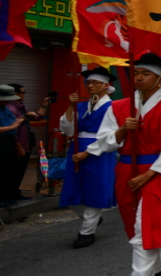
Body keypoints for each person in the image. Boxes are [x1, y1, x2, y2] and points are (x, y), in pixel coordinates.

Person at [91, 53, 161, 276]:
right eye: (136, 73)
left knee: (145, 226)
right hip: (126, 172)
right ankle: (157, 270)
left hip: (157, 173)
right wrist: (122, 130)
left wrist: (149, 174)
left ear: (160, 78)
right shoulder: (118, 107)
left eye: (146, 73)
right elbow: (104, 142)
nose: (139, 78)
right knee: (134, 224)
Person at [59, 67, 118, 248]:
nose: (90, 86)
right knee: (72, 188)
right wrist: (70, 106)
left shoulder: (113, 107)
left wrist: (88, 152)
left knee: (94, 190)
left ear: (105, 85)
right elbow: (68, 129)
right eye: (88, 83)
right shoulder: (80, 105)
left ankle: (87, 232)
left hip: (100, 151)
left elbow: (113, 135)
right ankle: (91, 219)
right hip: (77, 147)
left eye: (95, 83)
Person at [0, 85, 30, 208]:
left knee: (4, 172)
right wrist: (12, 127)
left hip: (7, 141)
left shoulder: (4, 108)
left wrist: (24, 118)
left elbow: (13, 121)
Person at [5, 83, 48, 201]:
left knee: (19, 171)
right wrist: (18, 145)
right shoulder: (11, 108)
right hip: (18, 145)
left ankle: (15, 192)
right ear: (16, 94)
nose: (24, 95)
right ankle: (9, 194)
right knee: (14, 171)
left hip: (25, 144)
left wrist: (43, 106)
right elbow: (12, 130)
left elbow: (37, 117)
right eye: (23, 92)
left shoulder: (20, 107)